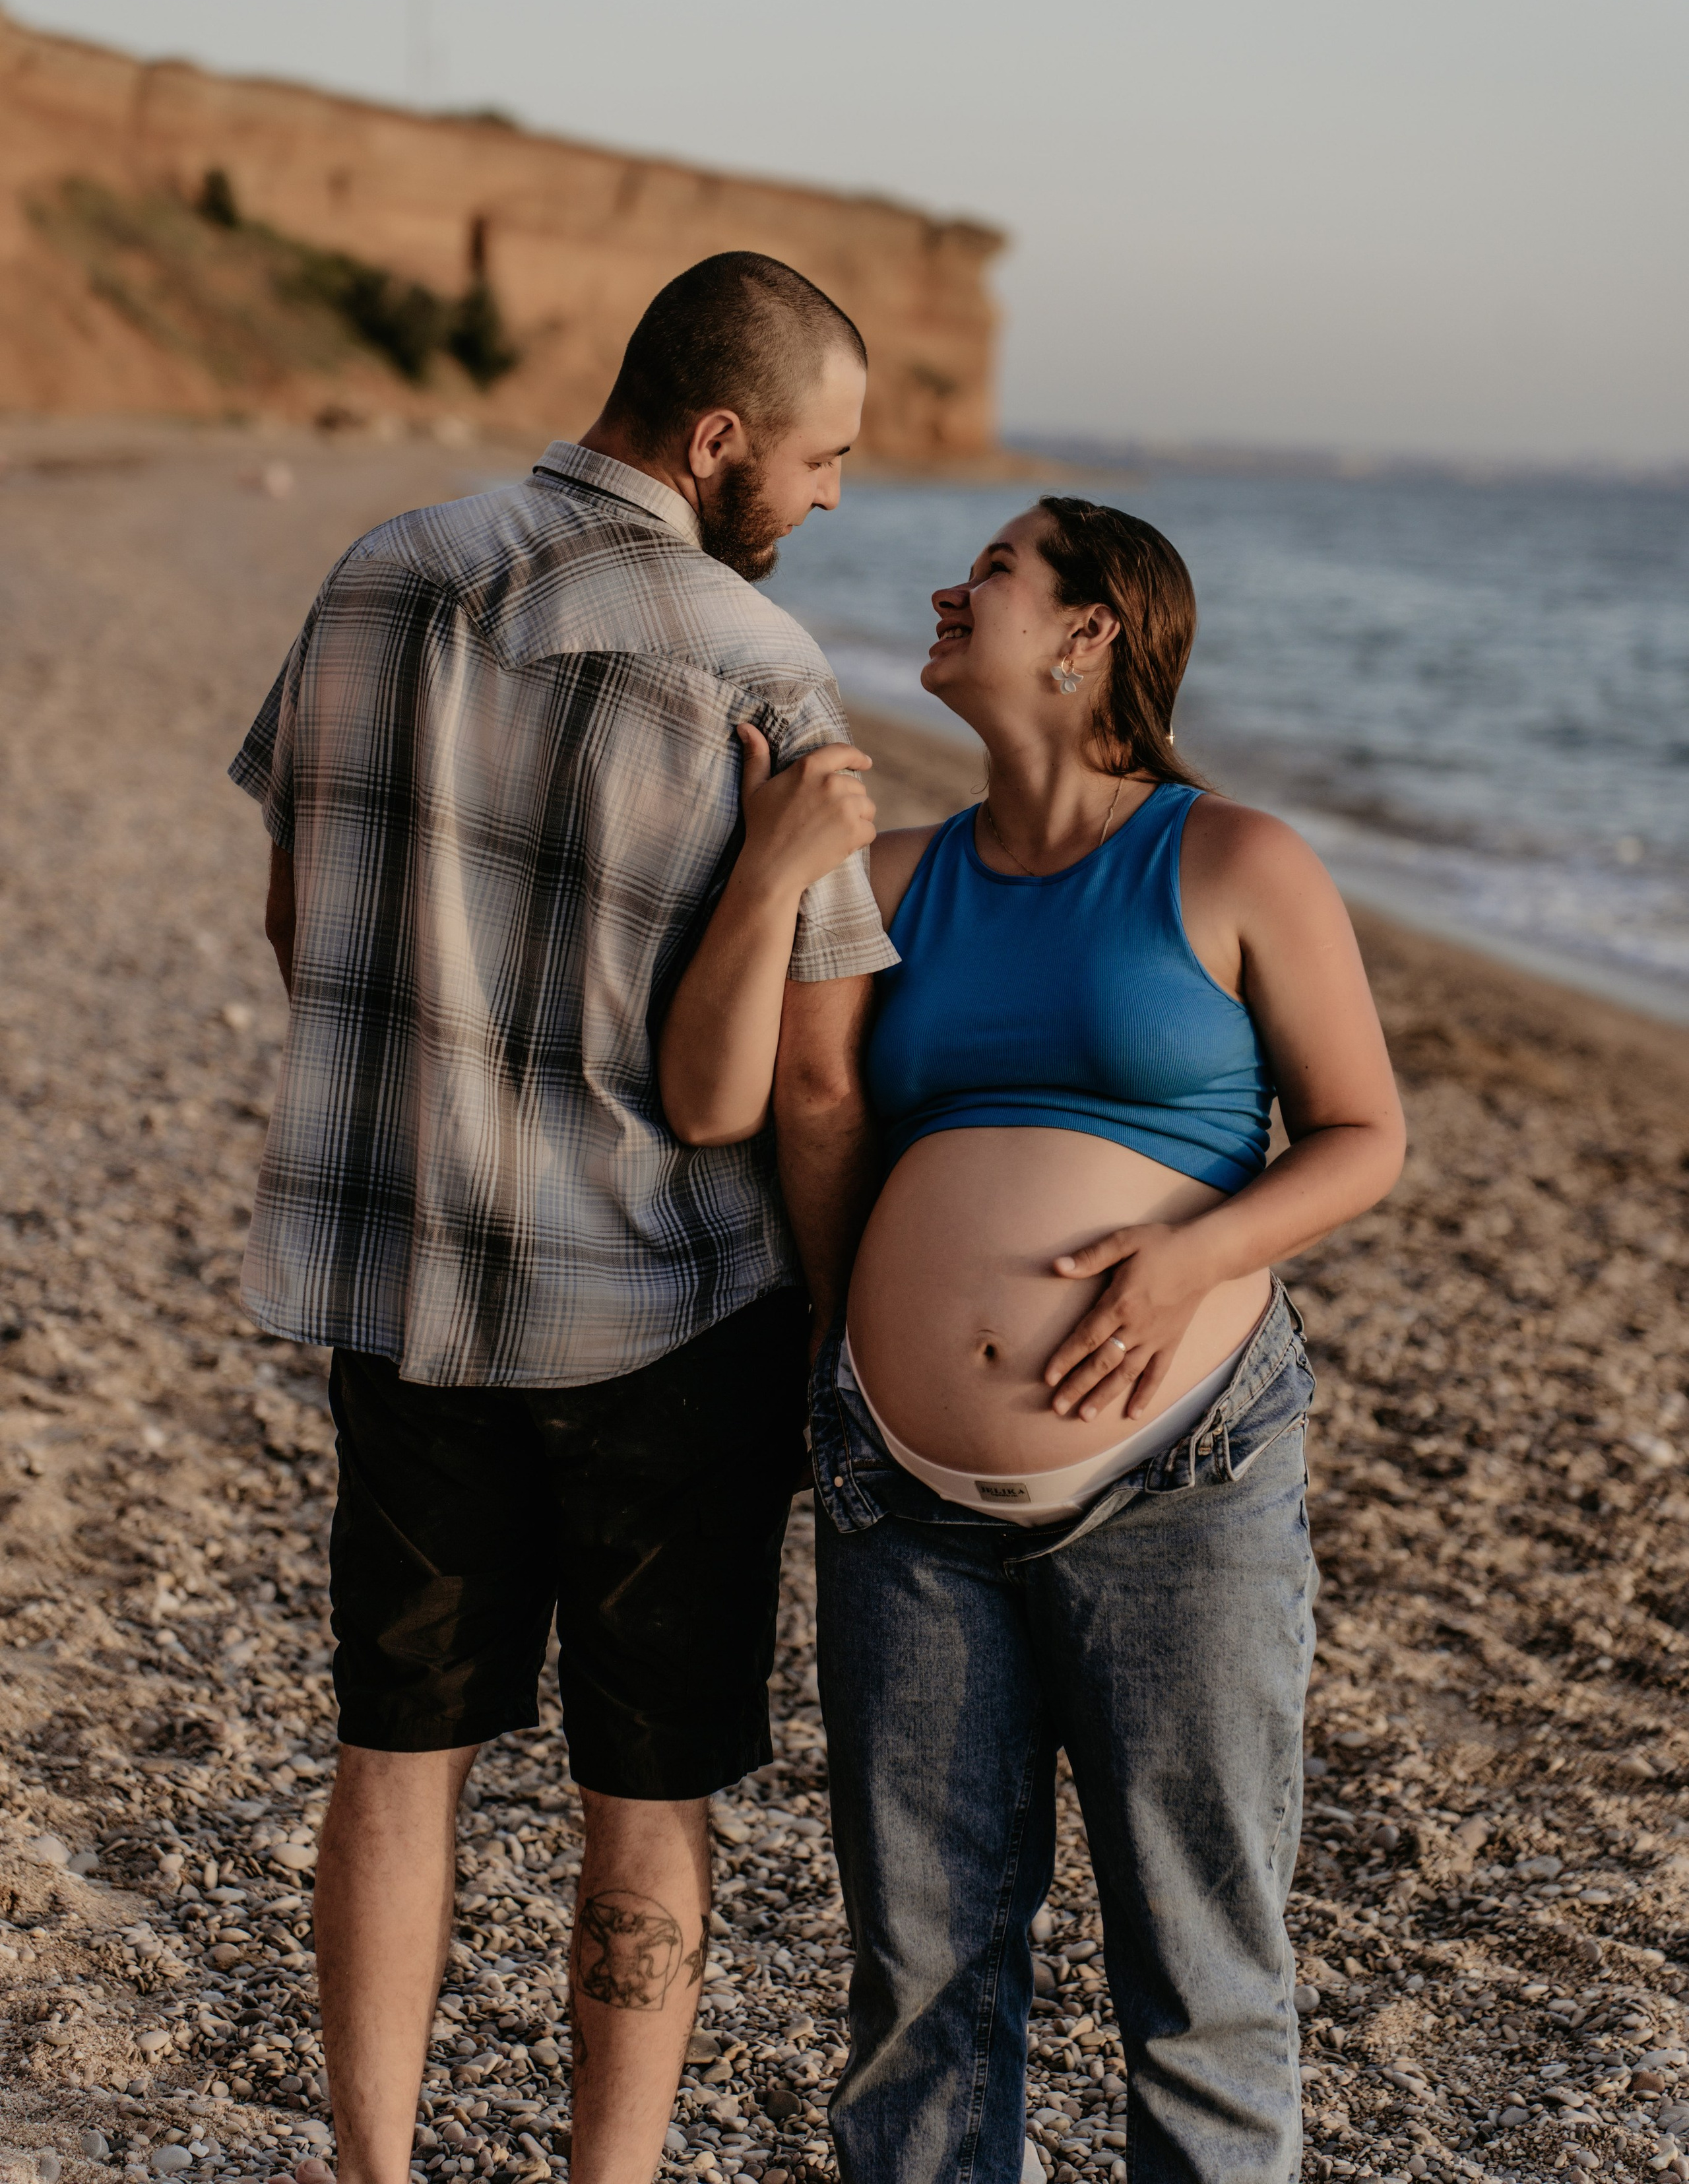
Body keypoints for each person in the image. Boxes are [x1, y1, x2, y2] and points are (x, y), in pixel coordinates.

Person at [228, 251, 899, 2184]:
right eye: (821, 457)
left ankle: (373, 2167)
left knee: (396, 1752)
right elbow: (814, 1080)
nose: (828, 496)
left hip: (405, 1285)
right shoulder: (751, 663)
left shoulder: (381, 570)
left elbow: (302, 919)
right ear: (718, 437)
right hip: (663, 1320)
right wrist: (838, 1326)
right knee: (646, 1790)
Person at [659, 496, 1407, 2184]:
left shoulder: (1235, 862)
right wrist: (854, 1353)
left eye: (993, 568)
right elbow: (807, 1108)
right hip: (902, 1494)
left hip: (1180, 1479)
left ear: (1089, 633)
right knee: (920, 1981)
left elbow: (1362, 1137)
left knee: (1199, 1977)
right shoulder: (894, 877)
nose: (950, 584)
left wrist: (1187, 1258)